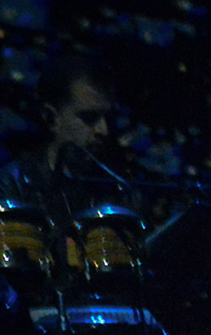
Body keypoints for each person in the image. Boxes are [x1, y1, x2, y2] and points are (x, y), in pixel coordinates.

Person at [1, 55, 127, 223]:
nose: (103, 130)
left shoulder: (118, 189)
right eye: (89, 117)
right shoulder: (12, 185)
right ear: (51, 118)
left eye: (108, 118)